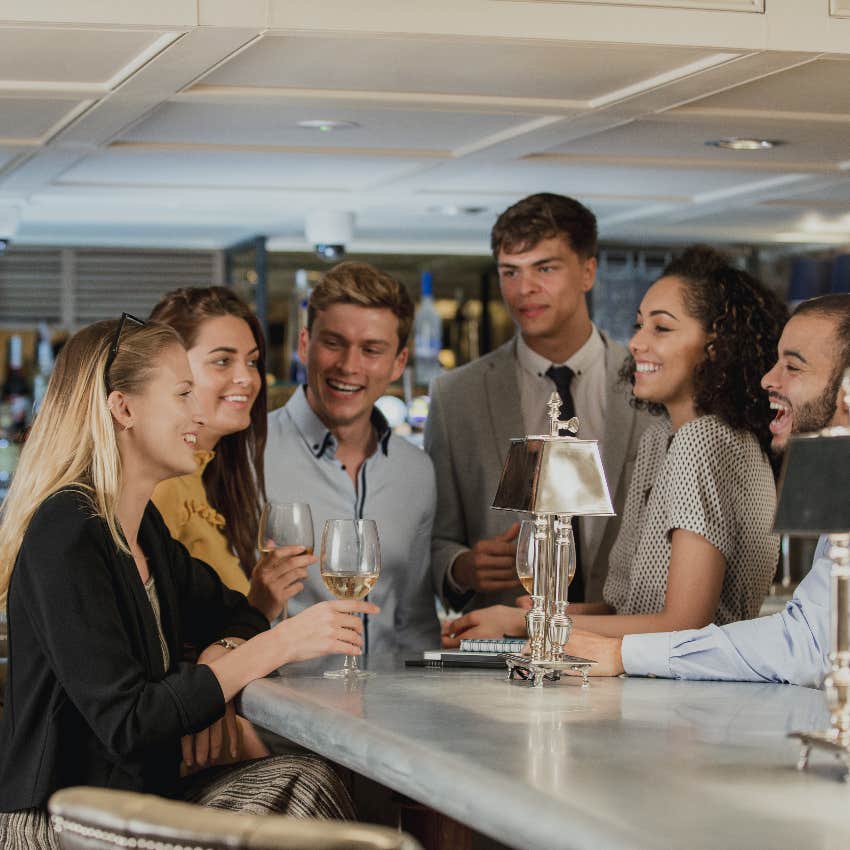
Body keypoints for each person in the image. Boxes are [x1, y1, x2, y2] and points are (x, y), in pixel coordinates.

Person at [0, 317, 378, 849]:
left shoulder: (143, 527)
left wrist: (218, 655)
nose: (199, 413)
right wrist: (280, 643)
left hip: (138, 795)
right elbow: (127, 720)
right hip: (62, 820)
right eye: (182, 393)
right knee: (301, 790)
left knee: (303, 779)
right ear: (123, 408)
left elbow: (236, 613)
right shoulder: (66, 531)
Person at [443, 246, 787, 645]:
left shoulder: (705, 438)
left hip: (691, 693)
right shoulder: (660, 439)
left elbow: (685, 624)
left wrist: (527, 624)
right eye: (639, 325)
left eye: (661, 328)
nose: (637, 343)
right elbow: (629, 610)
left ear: (716, 344)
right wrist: (540, 610)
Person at [563, 294, 850, 686]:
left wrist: (621, 652)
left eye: (793, 367)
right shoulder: (660, 439)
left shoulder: (703, 439)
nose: (770, 379)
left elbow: (809, 646)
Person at [425, 192, 650, 615]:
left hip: (630, 646)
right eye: (510, 272)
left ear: (587, 272)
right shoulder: (456, 396)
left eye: (545, 268)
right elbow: (435, 540)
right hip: (506, 655)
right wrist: (463, 567)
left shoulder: (649, 386)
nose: (524, 289)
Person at [265, 261, 439, 654]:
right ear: (305, 345)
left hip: (388, 709)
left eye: (371, 350)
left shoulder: (416, 471)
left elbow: (415, 621)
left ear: (398, 362)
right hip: (279, 709)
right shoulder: (247, 453)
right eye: (333, 343)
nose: (349, 366)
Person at [149, 287, 310, 622]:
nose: (247, 378)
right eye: (222, 361)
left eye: (252, 362)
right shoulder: (159, 484)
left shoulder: (209, 477)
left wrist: (261, 606)